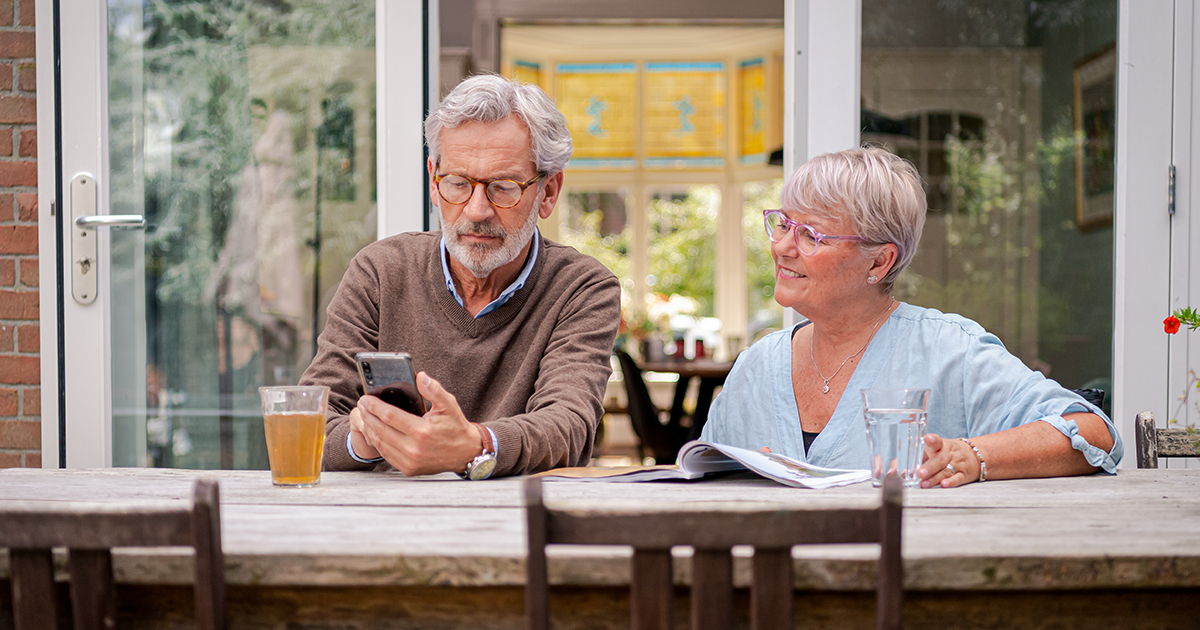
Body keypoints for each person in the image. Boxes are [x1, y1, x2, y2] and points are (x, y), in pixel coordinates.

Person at [700, 147, 1121, 487]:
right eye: (783, 224)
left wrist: (972, 456)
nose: (783, 247)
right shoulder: (757, 366)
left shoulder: (948, 351)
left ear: (879, 262)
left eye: (810, 235)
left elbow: (1093, 435)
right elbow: (701, 478)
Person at [299, 75, 621, 479]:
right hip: (384, 523)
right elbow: (312, 422)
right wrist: (369, 436)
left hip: (518, 525)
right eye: (457, 184)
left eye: (503, 187)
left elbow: (567, 426)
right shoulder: (380, 271)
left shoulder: (582, 288)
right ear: (434, 181)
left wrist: (473, 445)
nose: (476, 210)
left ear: (549, 191)